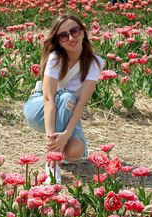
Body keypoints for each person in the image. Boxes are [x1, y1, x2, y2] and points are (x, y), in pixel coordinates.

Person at [23, 14, 104, 183]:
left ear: (83, 32)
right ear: (59, 41)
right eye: (63, 35)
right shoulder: (56, 59)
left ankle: (63, 150)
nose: (70, 38)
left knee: (76, 152)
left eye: (74, 31)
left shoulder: (95, 63)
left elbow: (82, 102)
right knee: (66, 96)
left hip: (68, 108)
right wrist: (52, 144)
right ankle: (52, 161)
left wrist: (66, 135)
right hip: (39, 108)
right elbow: (49, 99)